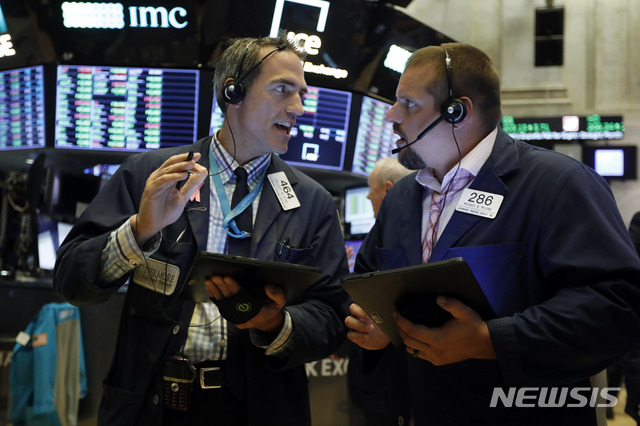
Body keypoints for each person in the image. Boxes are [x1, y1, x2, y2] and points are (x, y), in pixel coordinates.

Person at [54, 35, 350, 426]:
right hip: (151, 402)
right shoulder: (151, 175)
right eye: (283, 90)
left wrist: (274, 323)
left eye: (300, 94)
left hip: (258, 407)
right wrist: (140, 229)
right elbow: (71, 281)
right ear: (233, 92)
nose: (298, 108)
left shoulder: (312, 201)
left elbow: (332, 316)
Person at [345, 42, 640, 425]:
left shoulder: (557, 184)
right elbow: (366, 281)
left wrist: (490, 341)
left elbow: (617, 305)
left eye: (409, 104)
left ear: (458, 111)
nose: (391, 115)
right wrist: (372, 324)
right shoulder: (403, 196)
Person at [347, 156, 411, 426]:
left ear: (387, 189)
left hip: (391, 384)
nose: (368, 199)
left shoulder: (396, 231)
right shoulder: (386, 231)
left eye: (370, 191)